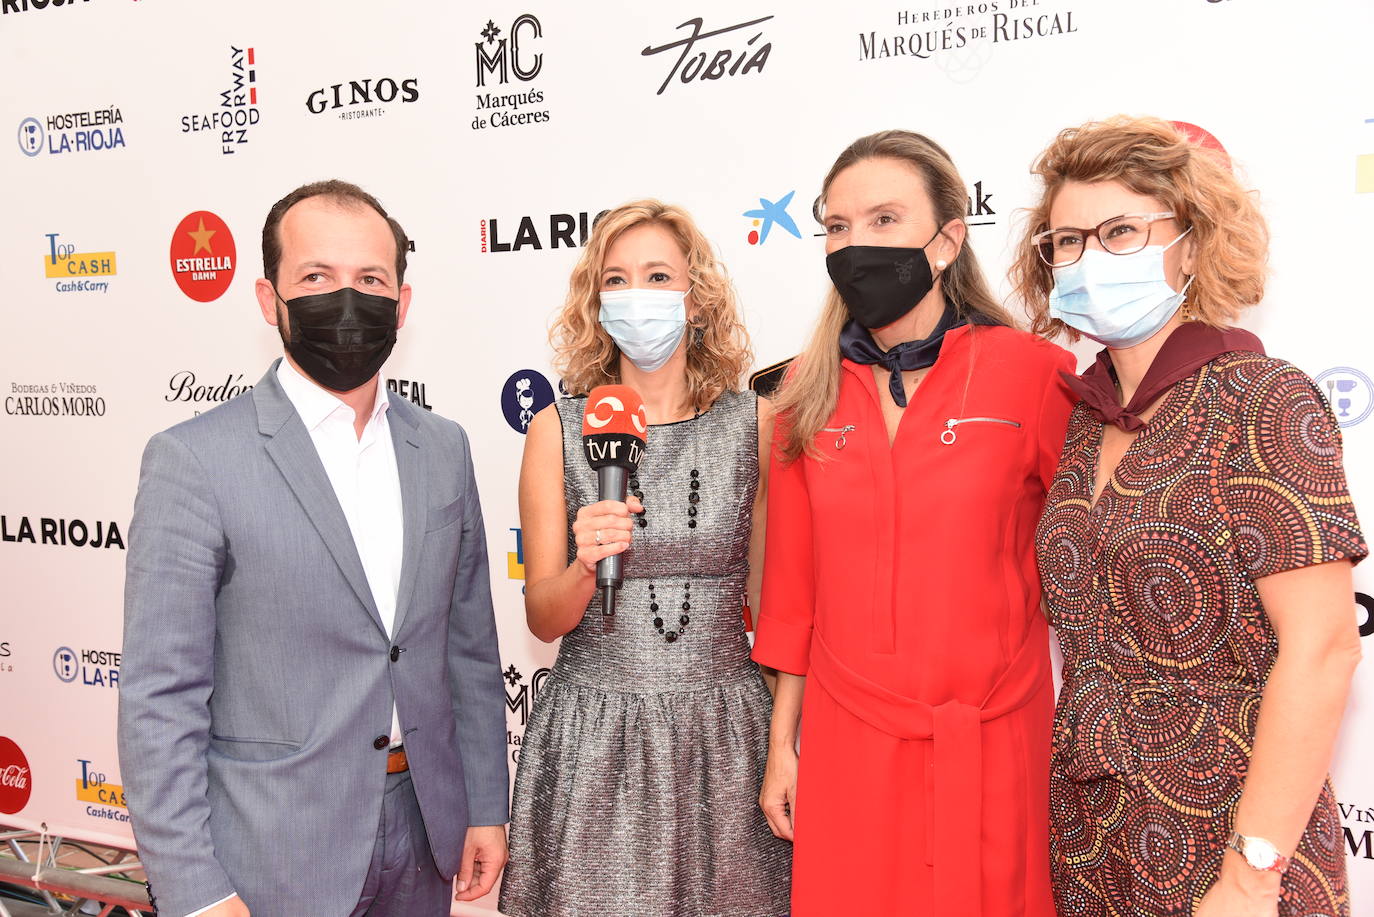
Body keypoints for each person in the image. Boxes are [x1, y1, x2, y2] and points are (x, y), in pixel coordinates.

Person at [118, 180, 509, 917]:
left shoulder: (444, 449)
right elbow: (157, 700)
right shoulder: (194, 460)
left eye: (369, 279)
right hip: (271, 852)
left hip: (425, 832)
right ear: (270, 301)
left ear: (402, 302)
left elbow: (469, 648)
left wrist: (486, 801)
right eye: (317, 278)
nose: (347, 299)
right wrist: (196, 889)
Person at [1012, 116, 1366, 917]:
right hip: (1093, 828)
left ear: (1194, 246)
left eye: (1121, 231)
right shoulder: (1086, 419)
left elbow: (1323, 650)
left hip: (1234, 829)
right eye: (1064, 241)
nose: (1086, 258)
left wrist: (1251, 873)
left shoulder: (1261, 399)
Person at [751, 130, 1076, 917]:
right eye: (837, 226)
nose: (855, 244)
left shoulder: (1037, 374)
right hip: (847, 737)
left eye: (885, 219)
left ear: (947, 239)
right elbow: (793, 588)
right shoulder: (803, 389)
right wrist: (780, 749)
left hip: (995, 737)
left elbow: (1086, 567)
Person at [499, 200, 791, 917]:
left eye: (658, 275)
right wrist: (582, 560)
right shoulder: (555, 430)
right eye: (618, 279)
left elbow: (782, 603)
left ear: (696, 299)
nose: (638, 295)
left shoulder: (755, 423)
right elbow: (542, 616)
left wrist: (787, 740)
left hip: (727, 734)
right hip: (597, 735)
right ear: (597, 305)